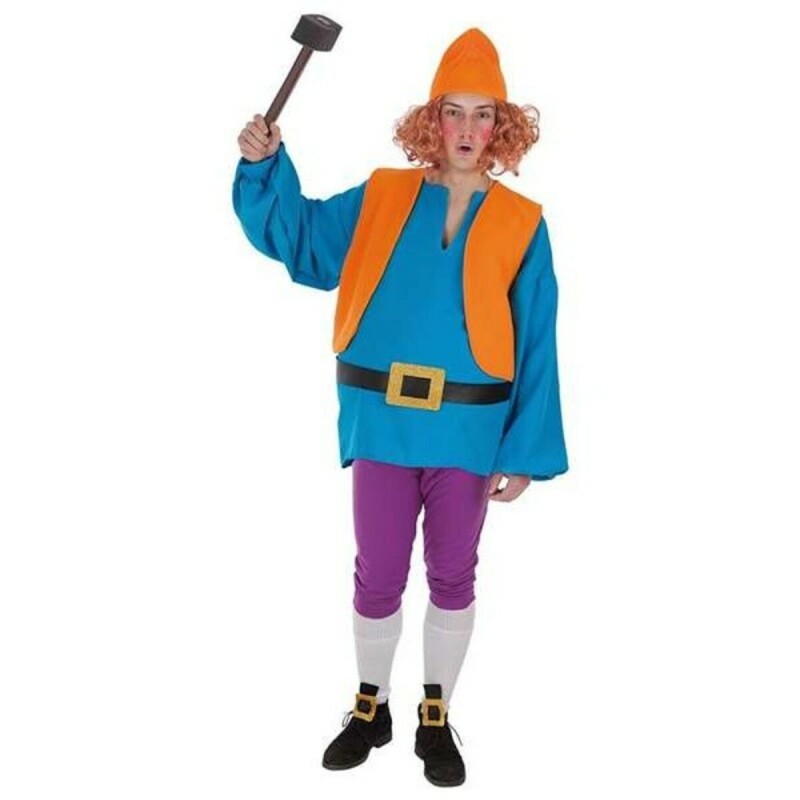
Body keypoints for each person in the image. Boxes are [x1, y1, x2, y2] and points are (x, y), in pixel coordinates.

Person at [232, 27, 568, 788]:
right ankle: (370, 706)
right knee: (377, 570)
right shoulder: (384, 196)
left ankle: (435, 714)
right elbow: (306, 242)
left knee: (453, 572)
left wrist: (523, 451)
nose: (468, 129)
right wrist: (263, 166)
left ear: (502, 126)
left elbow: (537, 338)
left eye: (484, 114)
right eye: (455, 111)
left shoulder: (523, 223)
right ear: (432, 118)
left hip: (469, 429)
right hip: (382, 422)